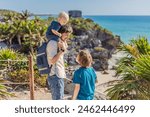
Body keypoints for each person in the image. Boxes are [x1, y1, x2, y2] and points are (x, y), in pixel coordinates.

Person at [46, 25, 73, 100]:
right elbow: (52, 61)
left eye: (69, 35)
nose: (68, 36)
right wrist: (62, 51)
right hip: (55, 75)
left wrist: (63, 46)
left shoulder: (61, 42)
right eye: (66, 34)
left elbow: (65, 49)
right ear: (60, 33)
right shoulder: (53, 43)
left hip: (59, 75)